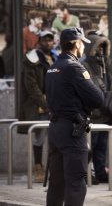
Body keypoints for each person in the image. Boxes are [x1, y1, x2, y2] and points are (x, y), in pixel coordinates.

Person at [45, 27, 104, 206]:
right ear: (76, 44)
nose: (83, 48)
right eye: (82, 44)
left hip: (55, 129)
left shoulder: (53, 68)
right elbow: (98, 99)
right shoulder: (74, 67)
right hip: (72, 131)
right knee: (76, 183)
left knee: (56, 183)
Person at [19, 31, 57, 183]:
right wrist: (45, 103)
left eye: (50, 40)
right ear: (39, 41)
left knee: (55, 138)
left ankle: (53, 168)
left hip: (55, 104)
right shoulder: (32, 58)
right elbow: (31, 86)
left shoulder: (55, 57)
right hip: (40, 105)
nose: (48, 43)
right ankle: (38, 167)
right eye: (45, 39)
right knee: (40, 138)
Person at [81, 32, 112, 184]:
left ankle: (101, 172)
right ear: (91, 48)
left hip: (104, 112)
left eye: (103, 48)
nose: (101, 51)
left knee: (101, 146)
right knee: (91, 146)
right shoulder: (84, 65)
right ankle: (87, 174)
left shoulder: (104, 65)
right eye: (98, 48)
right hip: (93, 113)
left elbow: (109, 86)